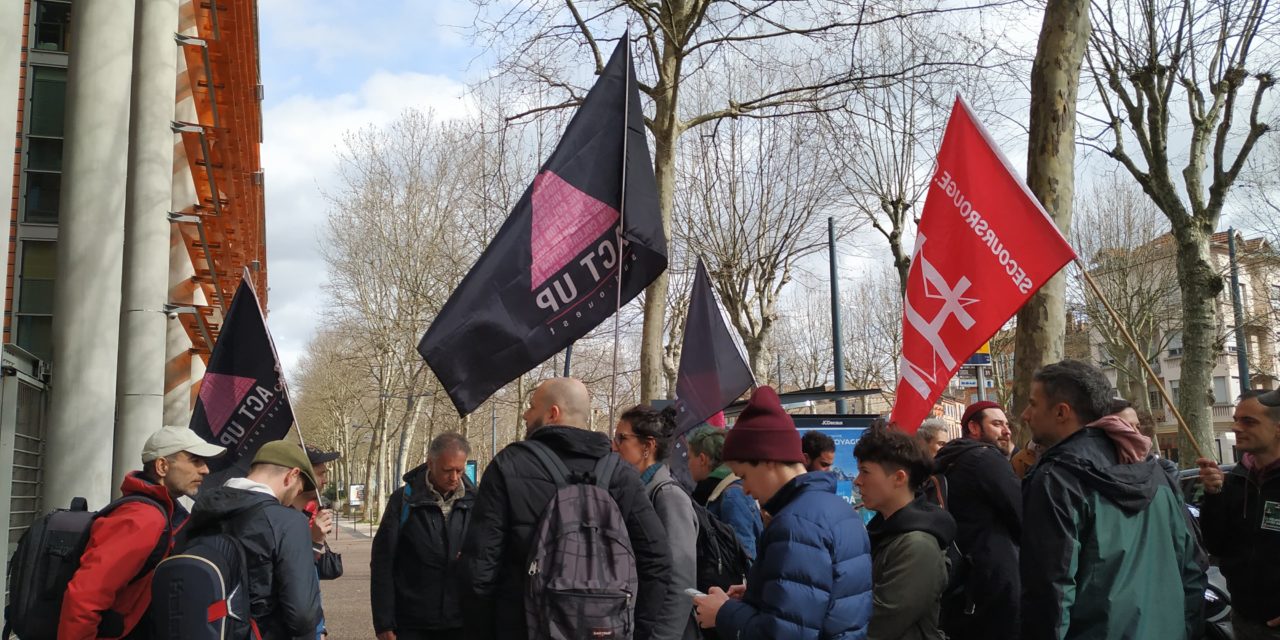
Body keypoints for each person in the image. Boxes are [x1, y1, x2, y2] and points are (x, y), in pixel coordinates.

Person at [458, 378, 672, 640]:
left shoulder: (509, 465)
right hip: (604, 630)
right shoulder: (621, 473)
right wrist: (635, 630)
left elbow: (479, 570)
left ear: (552, 413)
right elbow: (657, 559)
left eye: (532, 407)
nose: (526, 414)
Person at [1019, 360, 1205, 640]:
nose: (1025, 414)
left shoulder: (1056, 479)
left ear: (1061, 412)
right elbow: (1192, 567)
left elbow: (1050, 591)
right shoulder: (1155, 473)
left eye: (1033, 404)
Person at [693, 386, 872, 638]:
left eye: (744, 476)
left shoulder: (795, 524)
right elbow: (821, 602)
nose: (745, 489)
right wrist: (761, 591)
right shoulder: (838, 509)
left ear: (767, 460)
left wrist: (723, 613)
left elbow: (786, 633)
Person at [59, 426, 226, 639]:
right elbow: (85, 597)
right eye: (195, 460)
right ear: (162, 466)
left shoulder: (157, 512)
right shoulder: (143, 518)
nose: (205, 470)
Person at [184, 441, 323, 639]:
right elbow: (302, 614)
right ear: (291, 476)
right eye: (299, 490)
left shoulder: (201, 511)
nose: (294, 497)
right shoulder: (288, 522)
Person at [929, 401, 1022, 640]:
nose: (1007, 430)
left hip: (963, 580)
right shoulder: (984, 459)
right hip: (993, 581)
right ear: (974, 427)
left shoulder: (952, 458)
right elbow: (1022, 513)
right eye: (997, 424)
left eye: (1007, 424)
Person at [372, 433, 475, 640]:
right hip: (412, 622)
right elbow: (383, 563)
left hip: (461, 622)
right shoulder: (403, 500)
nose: (454, 477)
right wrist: (384, 622)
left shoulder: (476, 500)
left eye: (459, 470)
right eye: (447, 470)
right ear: (430, 463)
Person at [855, 427, 955, 640]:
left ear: (899, 478)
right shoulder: (887, 532)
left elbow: (881, 622)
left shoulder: (917, 545)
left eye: (865, 471)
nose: (857, 481)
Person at [1197, 389, 1280, 639]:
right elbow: (1217, 545)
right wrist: (1213, 496)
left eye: (1248, 421)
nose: (1235, 427)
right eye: (1236, 419)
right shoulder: (1238, 478)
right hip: (1244, 617)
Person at [615, 405, 700, 640]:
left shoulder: (668, 497)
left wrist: (662, 637)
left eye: (622, 438)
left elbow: (681, 581)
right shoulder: (639, 491)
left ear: (648, 446)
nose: (614, 445)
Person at [687, 424, 763, 560]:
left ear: (702, 459)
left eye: (689, 458)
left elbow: (745, 553)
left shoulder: (732, 495)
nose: (688, 464)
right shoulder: (712, 492)